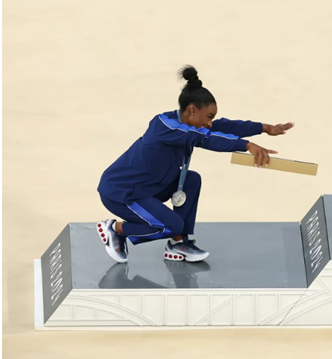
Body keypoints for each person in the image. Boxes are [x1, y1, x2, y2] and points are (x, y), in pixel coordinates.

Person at [95, 66, 292, 263]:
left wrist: (265, 128)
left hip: (149, 187)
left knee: (191, 179)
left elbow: (224, 126)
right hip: (122, 192)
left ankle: (178, 243)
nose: (210, 123)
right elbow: (204, 138)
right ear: (191, 110)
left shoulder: (190, 125)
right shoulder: (164, 125)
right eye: (209, 117)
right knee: (171, 224)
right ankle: (116, 229)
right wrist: (247, 145)